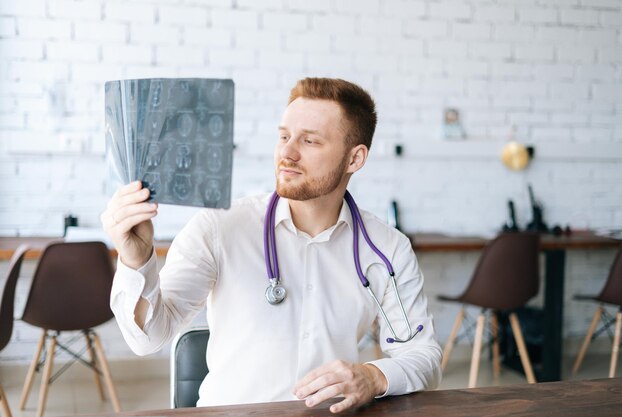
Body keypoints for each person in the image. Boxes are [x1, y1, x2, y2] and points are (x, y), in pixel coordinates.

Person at [101, 77, 441, 413]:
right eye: (284, 136)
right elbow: (147, 339)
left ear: (354, 159)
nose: (287, 153)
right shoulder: (218, 228)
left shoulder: (386, 248)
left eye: (310, 141)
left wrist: (373, 375)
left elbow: (422, 355)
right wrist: (136, 258)